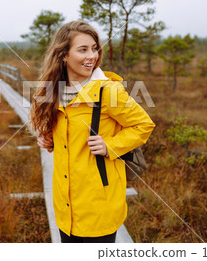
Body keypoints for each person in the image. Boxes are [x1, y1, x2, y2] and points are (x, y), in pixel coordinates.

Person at [29, 21, 155, 243]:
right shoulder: (56, 90)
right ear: (64, 55)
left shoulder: (108, 91)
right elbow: (68, 137)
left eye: (94, 48)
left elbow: (144, 125)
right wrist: (50, 140)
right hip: (65, 208)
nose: (92, 56)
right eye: (83, 49)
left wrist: (110, 145)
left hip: (98, 208)